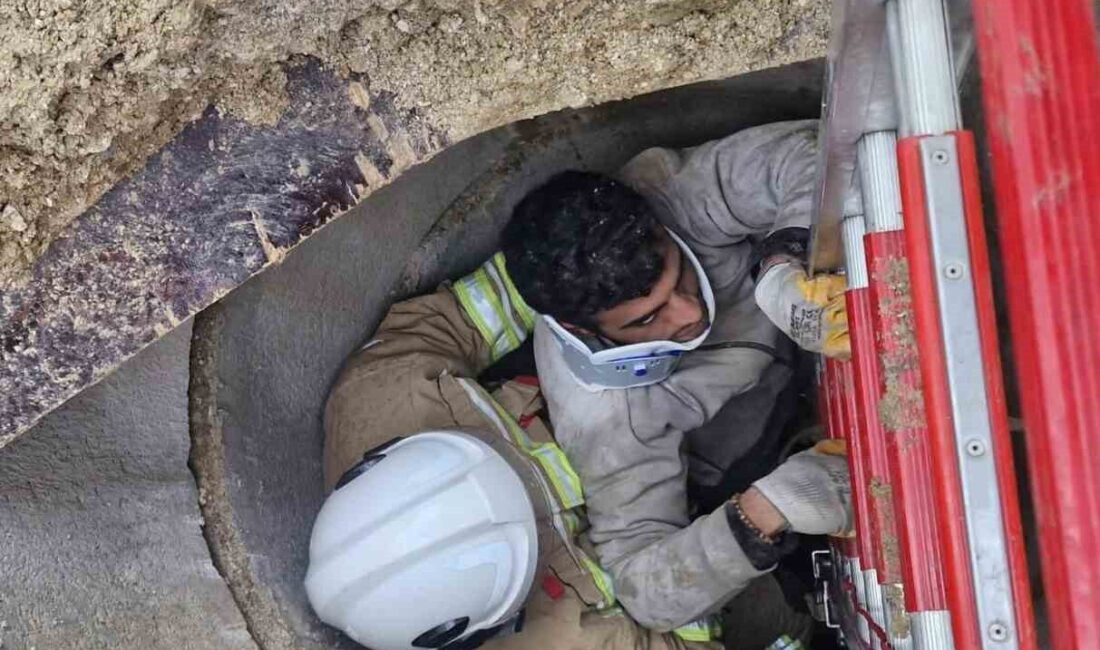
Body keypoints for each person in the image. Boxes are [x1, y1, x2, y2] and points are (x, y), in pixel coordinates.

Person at [306, 274, 851, 650]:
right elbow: (687, 627)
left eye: (503, 462)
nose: (533, 475)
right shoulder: (574, 640)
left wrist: (598, 299)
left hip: (612, 380)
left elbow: (495, 298)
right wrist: (757, 519)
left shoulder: (381, 396)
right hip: (696, 522)